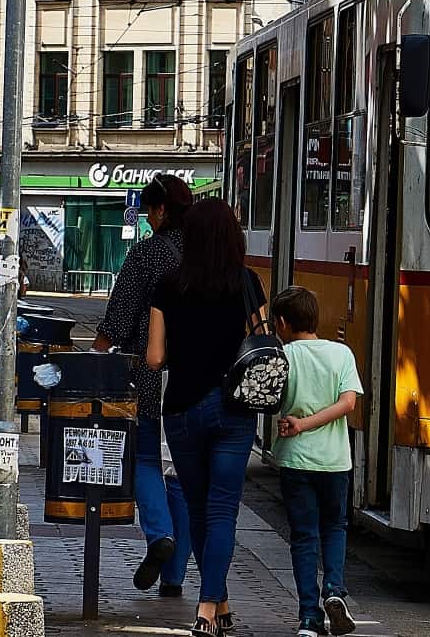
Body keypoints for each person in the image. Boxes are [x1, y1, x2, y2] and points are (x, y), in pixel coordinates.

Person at [145, 198, 264, 637]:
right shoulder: (247, 283)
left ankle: (216, 604)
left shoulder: (168, 286)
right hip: (234, 410)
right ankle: (210, 606)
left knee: (197, 509)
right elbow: (263, 347)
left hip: (181, 409)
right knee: (222, 512)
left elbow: (155, 358)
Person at [93, 174, 194, 597]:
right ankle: (174, 578)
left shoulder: (146, 255)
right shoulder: (208, 255)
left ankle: (158, 536)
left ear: (161, 211)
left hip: (151, 378)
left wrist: (95, 356)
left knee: (145, 459)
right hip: (197, 382)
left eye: (152, 210)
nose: (150, 218)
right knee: (183, 477)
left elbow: (118, 320)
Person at [271, 286, 364, 637]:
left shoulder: (284, 357)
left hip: (296, 461)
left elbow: (269, 399)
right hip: (336, 461)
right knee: (335, 528)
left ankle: (309, 617)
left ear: (282, 322)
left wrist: (297, 423)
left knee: (304, 537)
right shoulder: (341, 353)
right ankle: (334, 590)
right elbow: (348, 404)